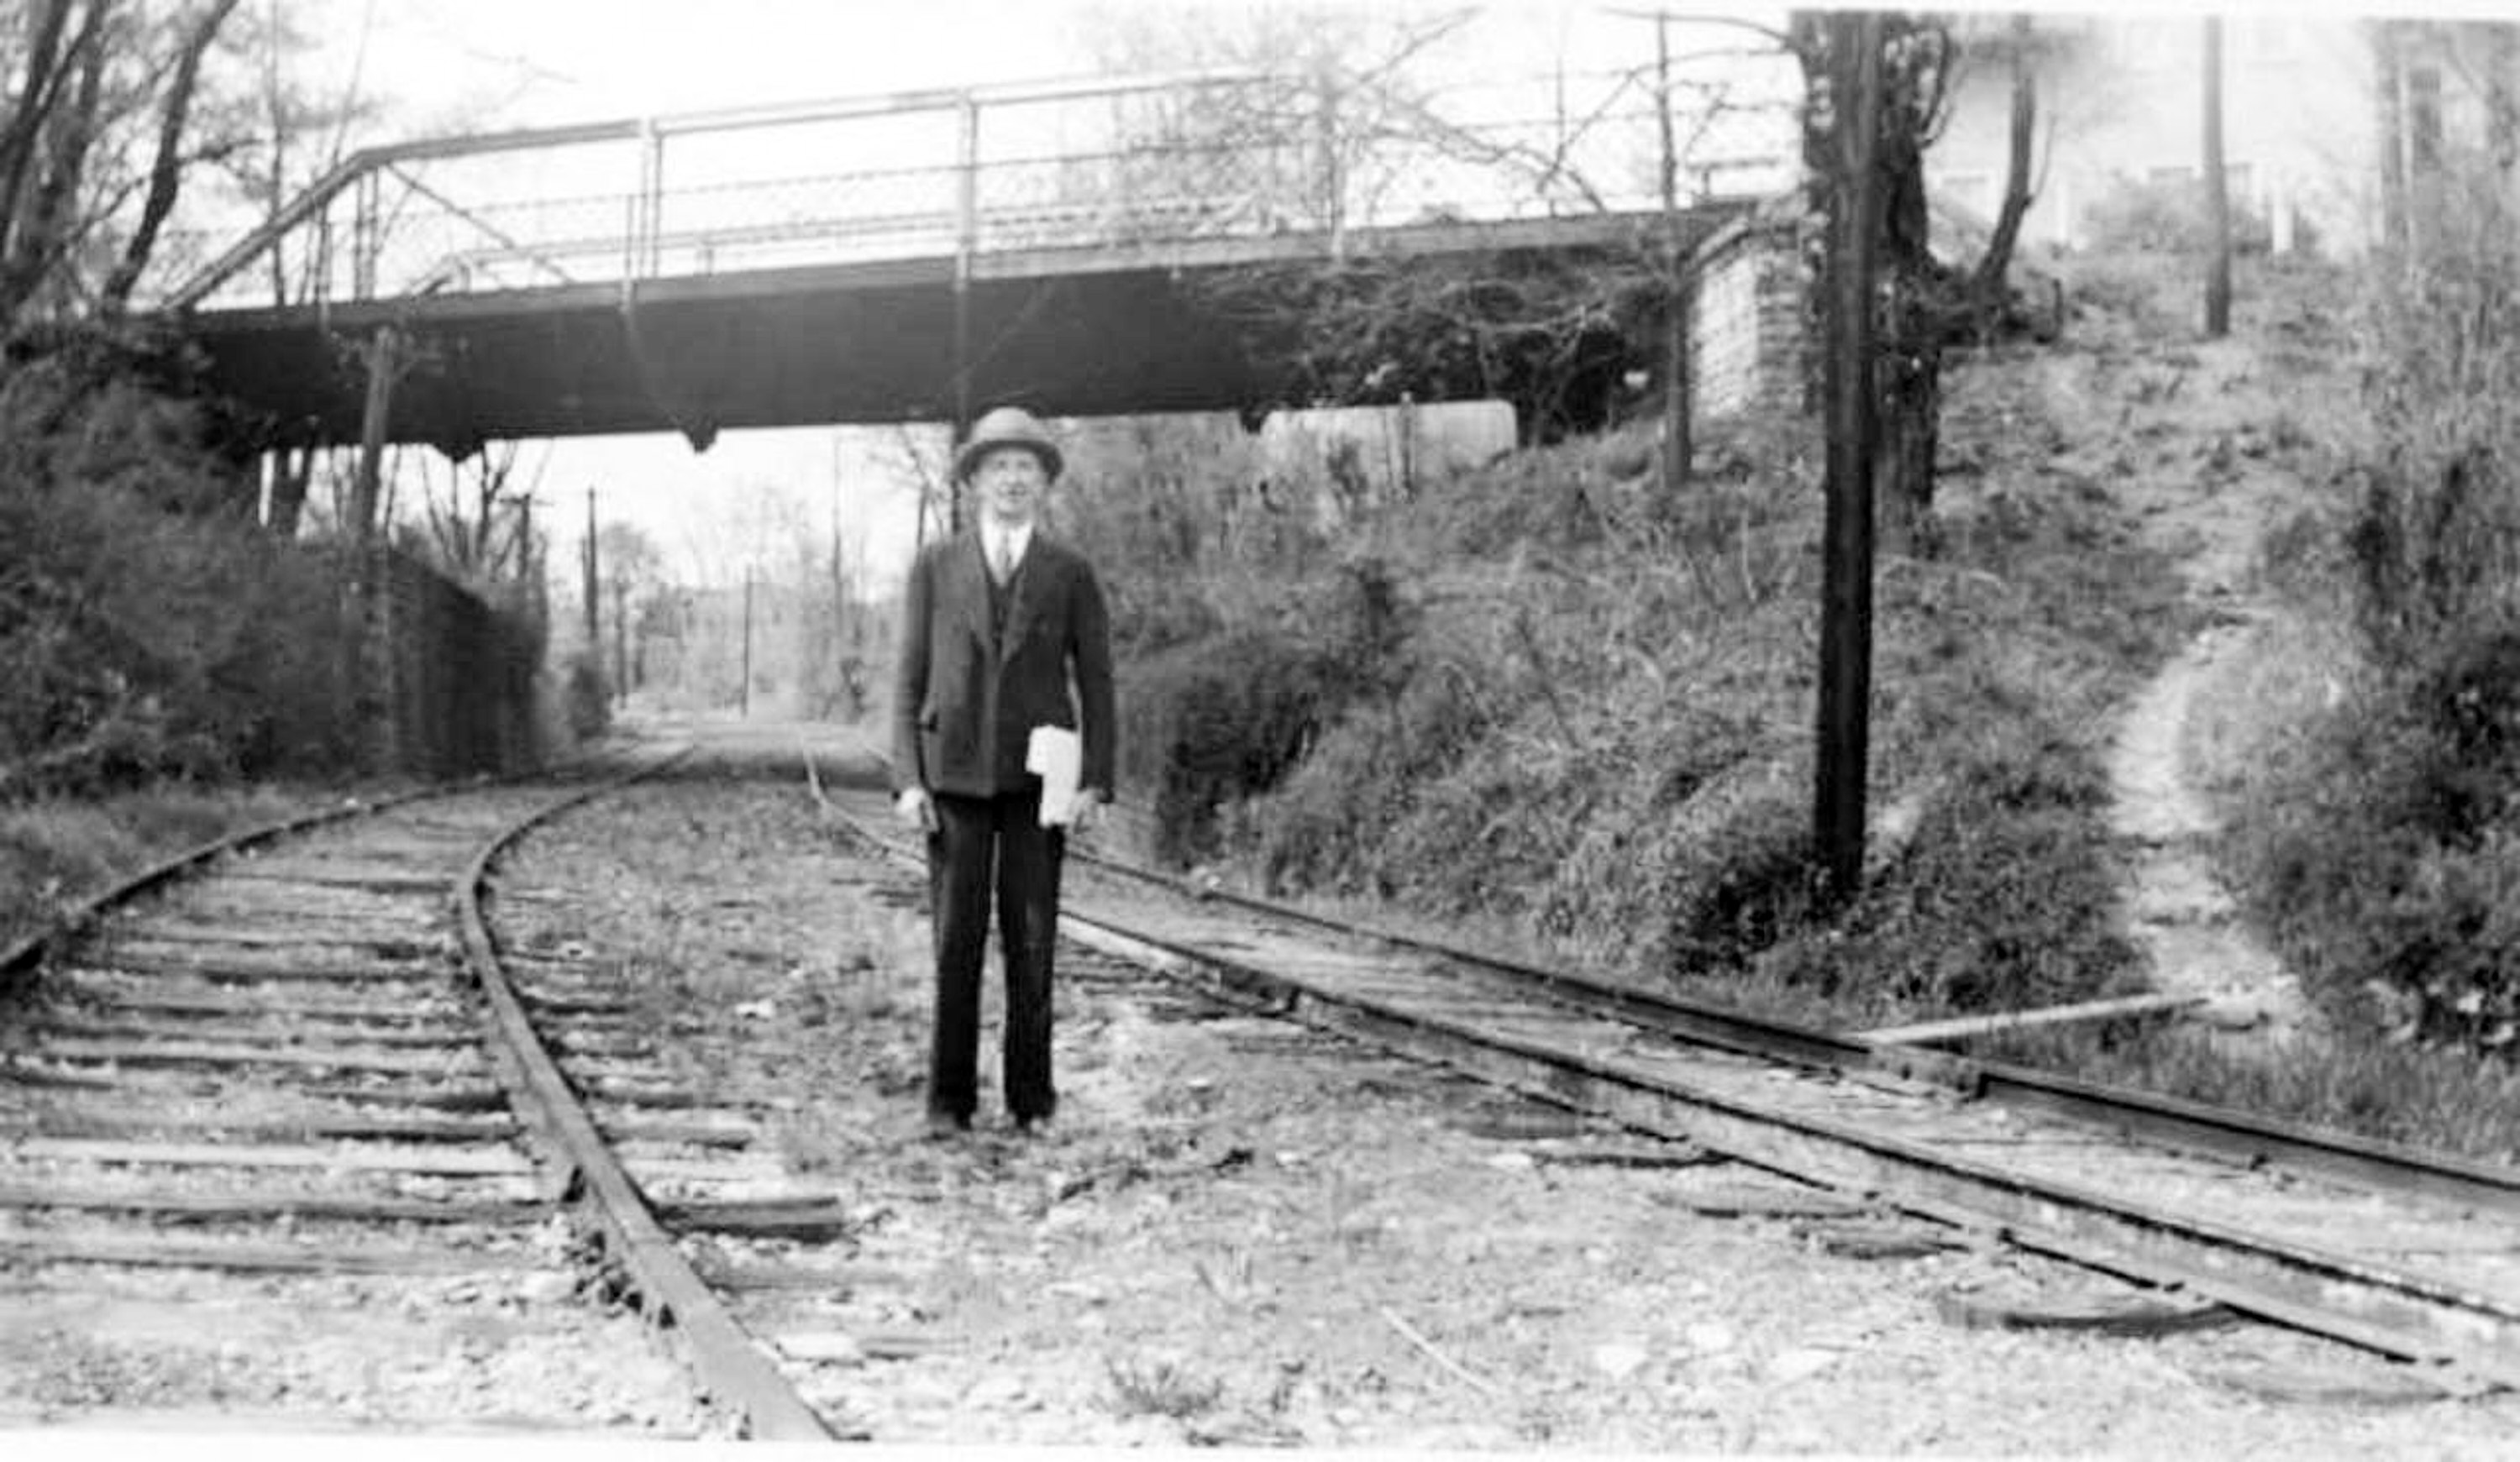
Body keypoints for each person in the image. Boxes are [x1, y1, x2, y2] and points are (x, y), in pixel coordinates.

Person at [890, 405, 1116, 1139]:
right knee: (955, 943)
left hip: (1039, 783)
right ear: (975, 481)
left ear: (1043, 483)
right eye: (999, 467)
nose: (1013, 479)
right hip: (951, 779)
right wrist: (908, 779)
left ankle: (1032, 1100)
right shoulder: (934, 565)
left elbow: (1098, 680)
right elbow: (907, 677)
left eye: (1026, 467)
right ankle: (948, 1101)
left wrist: (1095, 780)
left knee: (1033, 942)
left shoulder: (1070, 571)